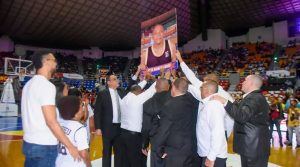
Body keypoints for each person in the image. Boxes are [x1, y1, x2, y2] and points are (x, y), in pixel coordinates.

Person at [21, 51, 80, 167]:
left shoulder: (28, 85)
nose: (56, 62)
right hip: (44, 145)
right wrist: (70, 146)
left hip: (29, 142)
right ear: (46, 62)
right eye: (53, 60)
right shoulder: (46, 86)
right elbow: (51, 121)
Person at [212, 75, 270, 167]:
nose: (242, 82)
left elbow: (242, 116)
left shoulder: (254, 97)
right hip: (252, 146)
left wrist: (225, 101)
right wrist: (233, 102)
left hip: (253, 147)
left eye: (245, 81)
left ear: (251, 83)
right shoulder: (253, 97)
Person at [176, 52, 234, 138]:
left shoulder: (207, 93)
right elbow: (231, 121)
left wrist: (180, 60)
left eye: (205, 81)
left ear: (211, 82)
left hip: (215, 133)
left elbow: (191, 80)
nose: (202, 84)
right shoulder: (227, 96)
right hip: (219, 132)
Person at [155, 78, 199, 167]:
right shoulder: (194, 101)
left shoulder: (169, 106)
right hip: (192, 147)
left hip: (174, 150)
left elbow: (164, 130)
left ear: (173, 87)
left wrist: (159, 149)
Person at [120, 77, 156, 167]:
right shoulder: (138, 99)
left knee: (125, 160)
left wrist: (146, 80)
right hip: (134, 136)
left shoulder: (125, 98)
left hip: (123, 133)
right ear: (139, 93)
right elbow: (152, 90)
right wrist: (158, 77)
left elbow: (136, 88)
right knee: (135, 160)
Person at [94, 73, 127, 167]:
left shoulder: (122, 91)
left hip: (120, 127)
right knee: (107, 152)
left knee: (119, 153)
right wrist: (98, 128)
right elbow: (97, 112)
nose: (117, 80)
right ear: (108, 82)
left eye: (117, 79)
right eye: (114, 79)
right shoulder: (102, 94)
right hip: (107, 127)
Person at [141, 78, 171, 167]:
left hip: (156, 142)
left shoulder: (148, 103)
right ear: (169, 87)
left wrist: (144, 144)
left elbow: (146, 127)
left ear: (155, 87)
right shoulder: (177, 101)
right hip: (174, 143)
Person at [197, 81, 227, 167]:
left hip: (213, 156)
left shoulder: (214, 105)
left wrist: (211, 156)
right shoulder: (209, 104)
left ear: (206, 90)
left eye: (201, 88)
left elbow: (218, 132)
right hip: (209, 153)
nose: (200, 90)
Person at [56, 96, 91, 167]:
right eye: (81, 106)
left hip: (60, 163)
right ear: (76, 111)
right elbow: (83, 154)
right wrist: (89, 165)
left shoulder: (60, 124)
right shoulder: (79, 128)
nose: (83, 109)